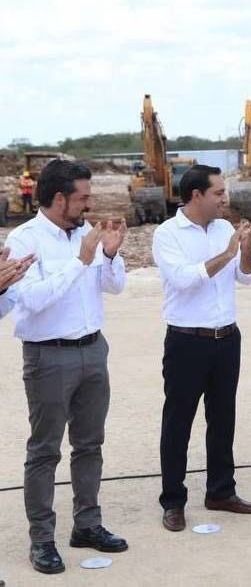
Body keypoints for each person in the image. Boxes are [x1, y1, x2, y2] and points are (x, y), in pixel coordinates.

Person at [4, 160, 129, 575]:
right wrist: (81, 260)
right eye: (83, 197)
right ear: (60, 199)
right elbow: (35, 299)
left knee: (90, 445)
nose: (89, 204)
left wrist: (109, 255)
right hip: (48, 356)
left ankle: (87, 525)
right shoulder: (25, 238)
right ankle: (42, 540)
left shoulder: (87, 236)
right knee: (45, 451)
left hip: (93, 350)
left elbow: (114, 286)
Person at [152, 164, 251, 532]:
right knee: (178, 421)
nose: (224, 198)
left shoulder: (225, 229)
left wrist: (244, 251)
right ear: (196, 195)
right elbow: (184, 281)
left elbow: (246, 277)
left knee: (223, 418)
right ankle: (173, 501)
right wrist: (228, 254)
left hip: (227, 338)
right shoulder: (168, 234)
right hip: (187, 341)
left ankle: (220, 492)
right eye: (218, 192)